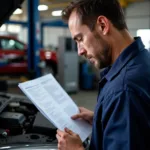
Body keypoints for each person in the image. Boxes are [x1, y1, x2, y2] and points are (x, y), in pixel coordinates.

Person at [56, 0, 150, 149]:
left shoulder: (123, 90)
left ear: (103, 25)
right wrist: (101, 120)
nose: (80, 51)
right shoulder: (143, 59)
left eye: (80, 39)